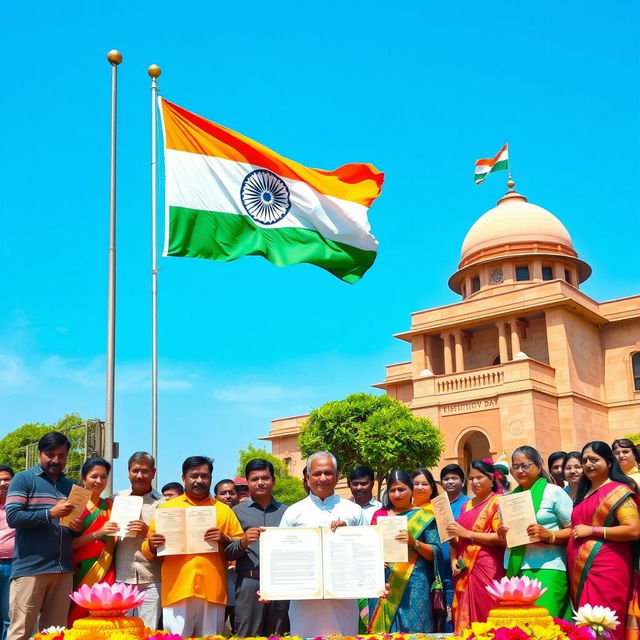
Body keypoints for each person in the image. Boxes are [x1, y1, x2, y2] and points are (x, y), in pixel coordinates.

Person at [142, 456, 244, 637]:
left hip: (212, 591)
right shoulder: (167, 509)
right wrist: (151, 543)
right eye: (194, 475)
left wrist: (223, 538)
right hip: (177, 590)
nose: (199, 480)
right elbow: (148, 552)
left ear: (211, 478)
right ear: (183, 478)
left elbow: (239, 546)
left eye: (204, 476)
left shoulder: (223, 510)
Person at [279, 451, 366, 637]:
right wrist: (271, 588)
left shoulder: (354, 511)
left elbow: (366, 553)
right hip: (304, 600)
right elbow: (281, 555)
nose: (323, 478)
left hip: (343, 597)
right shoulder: (293, 512)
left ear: (336, 475)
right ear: (307, 476)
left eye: (328, 473)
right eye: (317, 473)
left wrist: (349, 534)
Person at [6, 431, 78, 640]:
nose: (56, 460)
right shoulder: (24, 479)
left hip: (63, 570)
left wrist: (76, 526)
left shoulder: (70, 485)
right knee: (20, 632)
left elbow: (71, 527)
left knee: (55, 634)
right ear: (40, 454)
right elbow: (13, 517)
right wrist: (50, 513)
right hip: (31, 569)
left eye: (62, 455)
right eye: (50, 454)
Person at [568, 441, 640, 640]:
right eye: (585, 461)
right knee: (585, 623)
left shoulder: (620, 491)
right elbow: (575, 530)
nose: (589, 464)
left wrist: (593, 530)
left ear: (609, 462)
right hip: (581, 568)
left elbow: (633, 530)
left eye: (594, 459)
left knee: (605, 621)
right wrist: (549, 535)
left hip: (608, 568)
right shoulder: (583, 494)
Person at [499, 445, 573, 620]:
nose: (520, 471)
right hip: (516, 570)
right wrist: (502, 535)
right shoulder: (508, 500)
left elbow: (575, 529)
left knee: (545, 623)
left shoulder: (553, 492)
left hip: (548, 567)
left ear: (539, 466)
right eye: (515, 467)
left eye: (525, 465)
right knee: (520, 626)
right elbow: (506, 543)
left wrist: (550, 535)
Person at [368, 470, 442, 633]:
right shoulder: (379, 515)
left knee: (414, 629)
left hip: (414, 584)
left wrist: (413, 542)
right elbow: (369, 548)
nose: (396, 494)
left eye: (401, 489)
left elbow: (435, 552)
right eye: (392, 490)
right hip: (384, 580)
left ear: (411, 490)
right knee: (382, 631)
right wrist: (376, 559)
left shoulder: (424, 516)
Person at [226, 459, 289, 637]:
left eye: (265, 478)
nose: (260, 482)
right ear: (248, 482)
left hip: (280, 584)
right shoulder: (235, 513)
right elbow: (227, 552)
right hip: (249, 582)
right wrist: (243, 541)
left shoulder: (288, 512)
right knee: (248, 634)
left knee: (278, 634)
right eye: (254, 479)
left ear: (273, 480)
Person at [447, 460, 505, 631]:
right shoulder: (467, 505)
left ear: (492, 479)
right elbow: (458, 540)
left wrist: (468, 534)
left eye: (480, 477)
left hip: (488, 566)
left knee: (486, 609)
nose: (475, 482)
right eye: (471, 478)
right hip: (464, 567)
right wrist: (452, 558)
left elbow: (501, 539)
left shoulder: (498, 502)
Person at [115, 452, 164, 630]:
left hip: (151, 577)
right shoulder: (116, 500)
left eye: (145, 471)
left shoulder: (163, 504)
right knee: (122, 630)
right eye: (135, 471)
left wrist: (146, 531)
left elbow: (168, 543)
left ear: (153, 472)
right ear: (128, 472)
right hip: (122, 576)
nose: (139, 476)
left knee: (148, 630)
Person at [68, 457, 119, 625]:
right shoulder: (74, 503)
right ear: (83, 479)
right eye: (94, 476)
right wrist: (99, 533)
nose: (99, 481)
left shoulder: (111, 505)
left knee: (103, 622)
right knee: (77, 622)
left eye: (103, 477)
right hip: (78, 572)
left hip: (106, 572)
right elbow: (67, 545)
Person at [0, 465, 15, 640]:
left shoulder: (19, 506)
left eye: (7, 479)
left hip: (13, 565)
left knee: (9, 617)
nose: (3, 483)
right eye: (0, 479)